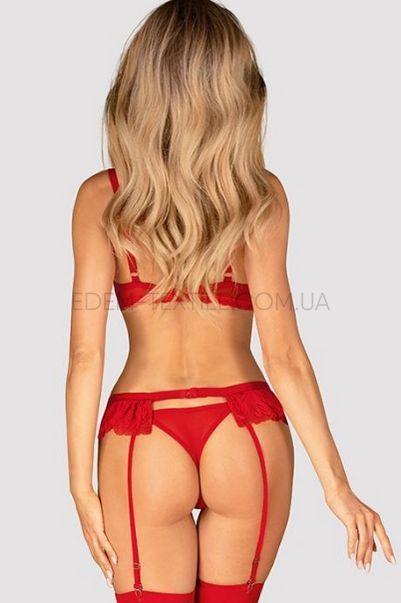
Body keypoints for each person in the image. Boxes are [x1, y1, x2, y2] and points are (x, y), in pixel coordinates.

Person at [66, 1, 395, 601]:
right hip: (245, 430)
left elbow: (85, 357)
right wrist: (338, 487)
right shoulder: (260, 196)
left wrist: (79, 486)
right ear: (237, 92)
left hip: (143, 438)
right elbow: (285, 356)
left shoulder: (101, 199)